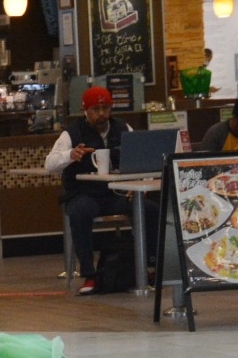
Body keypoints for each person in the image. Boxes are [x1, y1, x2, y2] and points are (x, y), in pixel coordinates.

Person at [44, 85, 155, 295]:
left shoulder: (124, 128)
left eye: (106, 108)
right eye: (96, 109)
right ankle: (89, 274)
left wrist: (140, 184)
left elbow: (143, 160)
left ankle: (149, 266)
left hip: (116, 194)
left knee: (150, 210)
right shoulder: (72, 133)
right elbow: (49, 164)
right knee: (80, 212)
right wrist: (70, 155)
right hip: (83, 194)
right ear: (85, 110)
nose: (101, 114)